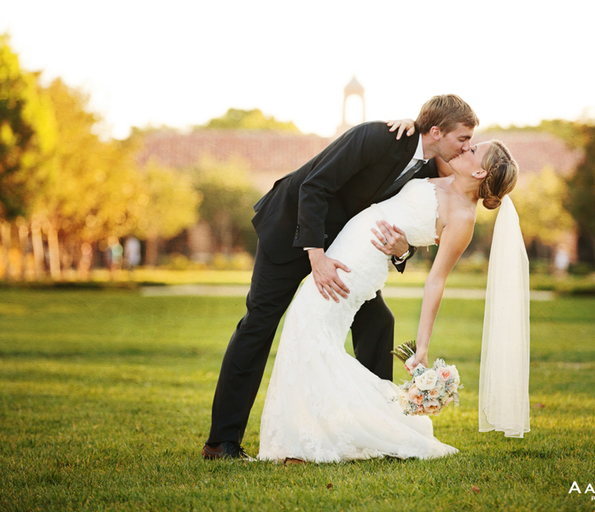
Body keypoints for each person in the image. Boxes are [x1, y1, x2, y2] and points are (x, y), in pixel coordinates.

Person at [203, 95, 480, 460]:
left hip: (346, 252)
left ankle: (378, 428)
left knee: (379, 321)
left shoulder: (429, 170)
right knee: (258, 324)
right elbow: (313, 186)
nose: (467, 147)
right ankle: (221, 442)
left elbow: (409, 221)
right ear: (435, 131)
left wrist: (401, 250)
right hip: (292, 233)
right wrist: (316, 256)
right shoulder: (377, 137)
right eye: (462, 139)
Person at [258, 139, 528, 463]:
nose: (463, 150)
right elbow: (429, 137)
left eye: (471, 151)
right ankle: (314, 436)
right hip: (348, 244)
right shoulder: (443, 173)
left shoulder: (463, 217)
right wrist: (411, 125)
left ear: (481, 170)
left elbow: (436, 279)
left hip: (358, 263)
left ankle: (307, 443)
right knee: (310, 331)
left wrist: (423, 347)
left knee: (307, 325)